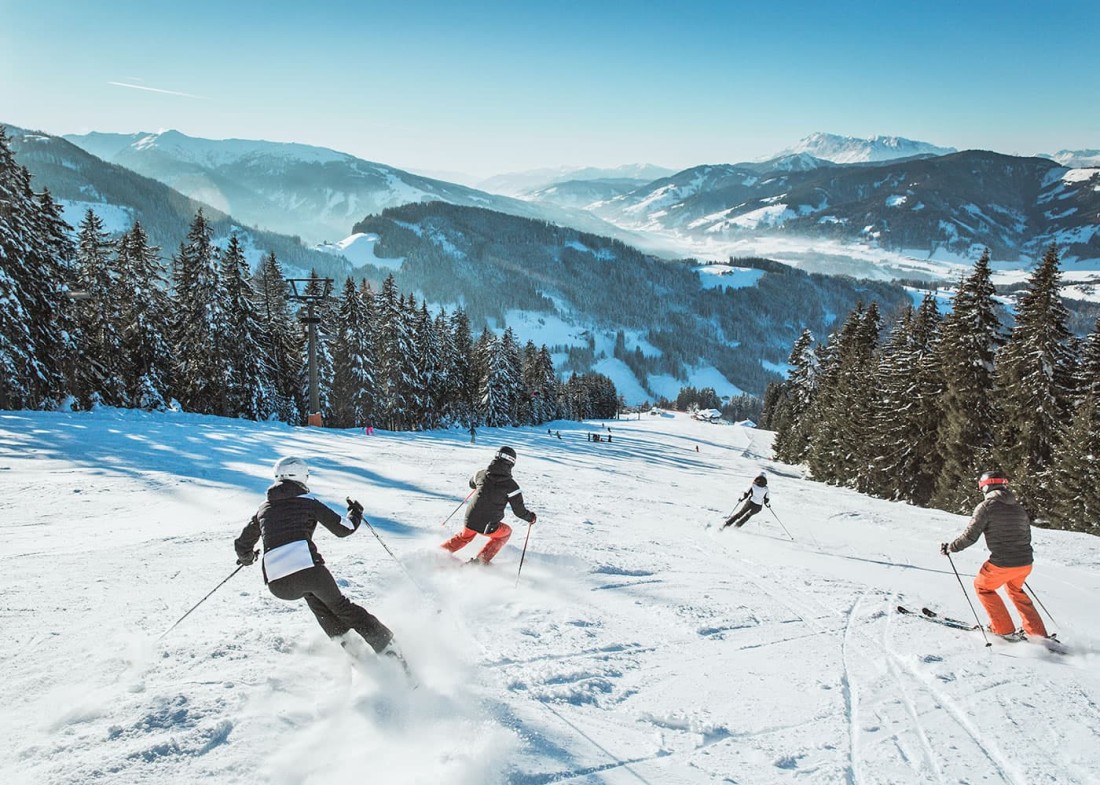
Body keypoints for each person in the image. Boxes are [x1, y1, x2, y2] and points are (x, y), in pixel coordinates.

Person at [234, 456, 408, 670]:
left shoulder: (263, 508)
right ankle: (393, 655)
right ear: (300, 477)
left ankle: (357, 655)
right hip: (309, 570)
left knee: (318, 603)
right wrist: (355, 514)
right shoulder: (308, 502)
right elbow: (343, 529)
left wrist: (249, 558)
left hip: (277, 583)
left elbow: (242, 546)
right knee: (343, 608)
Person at [939, 471, 1049, 640]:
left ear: (985, 487)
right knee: (1015, 589)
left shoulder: (987, 507)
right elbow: (1026, 535)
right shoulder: (1017, 507)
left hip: (1003, 563)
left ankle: (1002, 629)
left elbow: (970, 536)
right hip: (1025, 563)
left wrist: (951, 548)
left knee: (983, 587)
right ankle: (1037, 633)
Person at [441, 446, 537, 565]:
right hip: (488, 525)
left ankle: (437, 553)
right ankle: (481, 560)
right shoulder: (511, 486)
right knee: (505, 533)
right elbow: (519, 511)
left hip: (470, 518)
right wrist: (530, 518)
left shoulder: (481, 474)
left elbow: (472, 483)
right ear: (512, 463)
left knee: (464, 537)